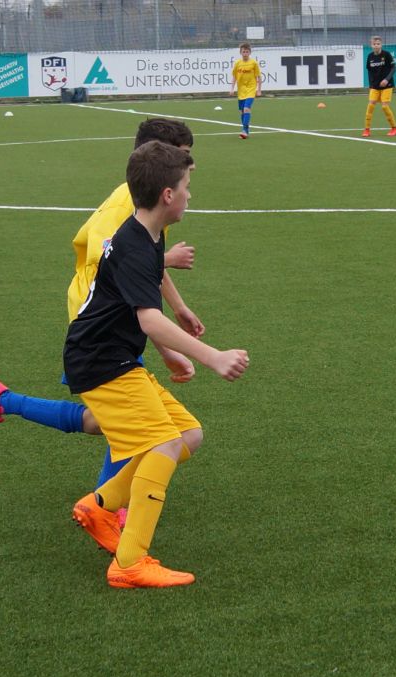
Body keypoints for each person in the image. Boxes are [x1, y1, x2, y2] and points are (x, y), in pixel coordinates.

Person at [0, 119, 204, 498]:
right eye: (183, 156)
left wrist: (179, 306)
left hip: (116, 315)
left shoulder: (153, 204)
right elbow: (118, 262)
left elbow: (144, 268)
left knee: (108, 420)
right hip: (100, 318)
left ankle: (3, 400)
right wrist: (168, 348)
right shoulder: (128, 204)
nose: (190, 165)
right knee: (134, 421)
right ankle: (105, 506)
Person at [66, 140, 250, 588]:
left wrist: (170, 349)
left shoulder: (148, 234)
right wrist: (212, 357)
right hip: (100, 362)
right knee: (164, 443)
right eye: (186, 186)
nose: (190, 194)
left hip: (113, 356)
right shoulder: (133, 245)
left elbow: (136, 306)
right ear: (168, 195)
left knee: (188, 434)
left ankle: (99, 505)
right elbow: (147, 317)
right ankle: (129, 563)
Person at [362, 36, 396, 138]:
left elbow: (394, 68)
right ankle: (366, 130)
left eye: (378, 44)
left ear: (381, 45)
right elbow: (369, 71)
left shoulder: (386, 55)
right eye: (374, 44)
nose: (376, 46)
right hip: (375, 86)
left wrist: (386, 79)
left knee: (384, 106)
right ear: (371, 45)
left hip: (387, 85)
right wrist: (371, 85)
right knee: (370, 105)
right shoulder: (370, 56)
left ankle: (394, 128)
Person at [229, 42, 261, 139]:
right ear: (241, 53)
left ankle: (244, 131)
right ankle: (246, 130)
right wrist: (232, 88)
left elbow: (259, 77)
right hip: (241, 90)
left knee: (247, 108)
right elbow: (234, 77)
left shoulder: (254, 63)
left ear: (250, 53)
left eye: (247, 52)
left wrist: (259, 90)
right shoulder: (237, 63)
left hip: (251, 89)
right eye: (244, 52)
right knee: (242, 111)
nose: (245, 54)